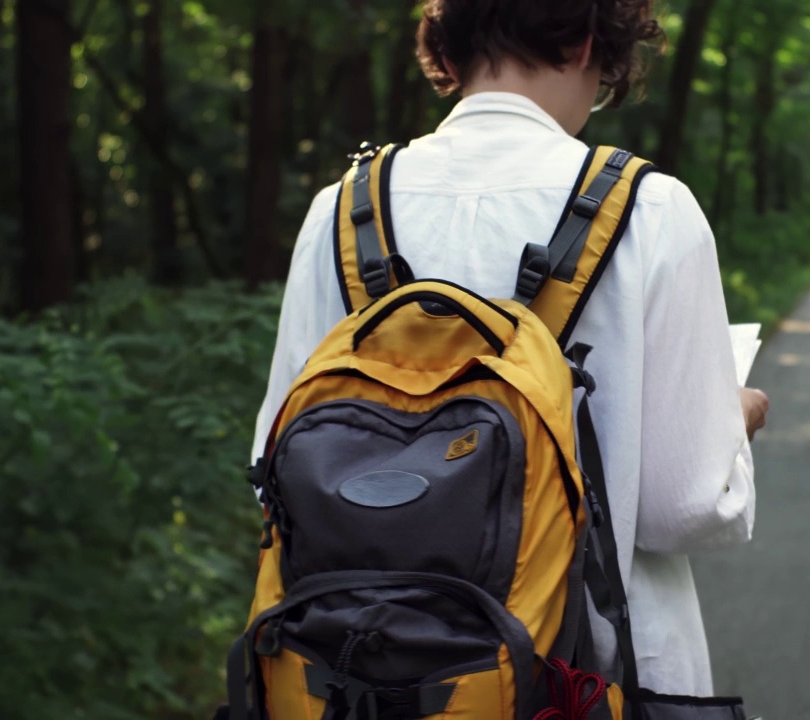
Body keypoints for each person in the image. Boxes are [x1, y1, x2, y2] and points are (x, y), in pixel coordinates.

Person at [250, 0, 770, 699]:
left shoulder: (343, 211)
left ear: (450, 45)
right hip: (594, 685)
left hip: (358, 681)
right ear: (589, 41)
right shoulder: (651, 211)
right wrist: (732, 421)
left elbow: (275, 468)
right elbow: (681, 508)